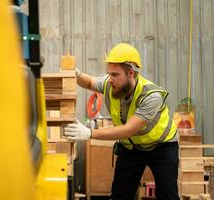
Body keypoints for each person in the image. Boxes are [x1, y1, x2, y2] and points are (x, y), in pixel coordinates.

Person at [64, 43, 179, 199]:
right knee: (120, 195)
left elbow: (128, 129)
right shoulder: (111, 84)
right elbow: (90, 82)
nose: (109, 79)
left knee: (167, 195)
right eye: (109, 73)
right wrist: (77, 75)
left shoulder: (151, 96)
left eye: (115, 74)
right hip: (131, 148)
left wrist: (89, 133)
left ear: (131, 73)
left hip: (162, 146)